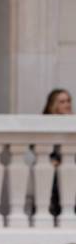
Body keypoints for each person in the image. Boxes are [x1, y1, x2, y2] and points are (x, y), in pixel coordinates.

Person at [42, 89, 74, 217]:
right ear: (53, 105)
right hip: (52, 174)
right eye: (62, 102)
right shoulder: (45, 124)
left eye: (68, 101)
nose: (67, 105)